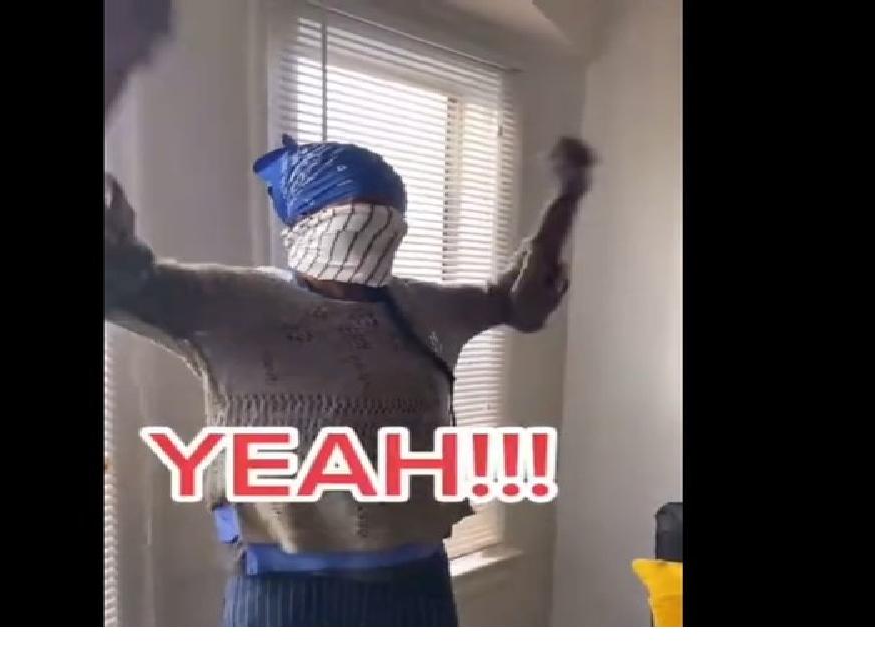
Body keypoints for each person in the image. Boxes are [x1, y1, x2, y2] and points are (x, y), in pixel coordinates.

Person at [104, 128, 594, 625]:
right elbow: (128, 289)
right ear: (306, 221)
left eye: (385, 216)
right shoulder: (233, 303)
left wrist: (566, 201)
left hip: (415, 583)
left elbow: (519, 304)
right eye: (354, 213)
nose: (370, 230)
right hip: (284, 590)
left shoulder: (424, 308)